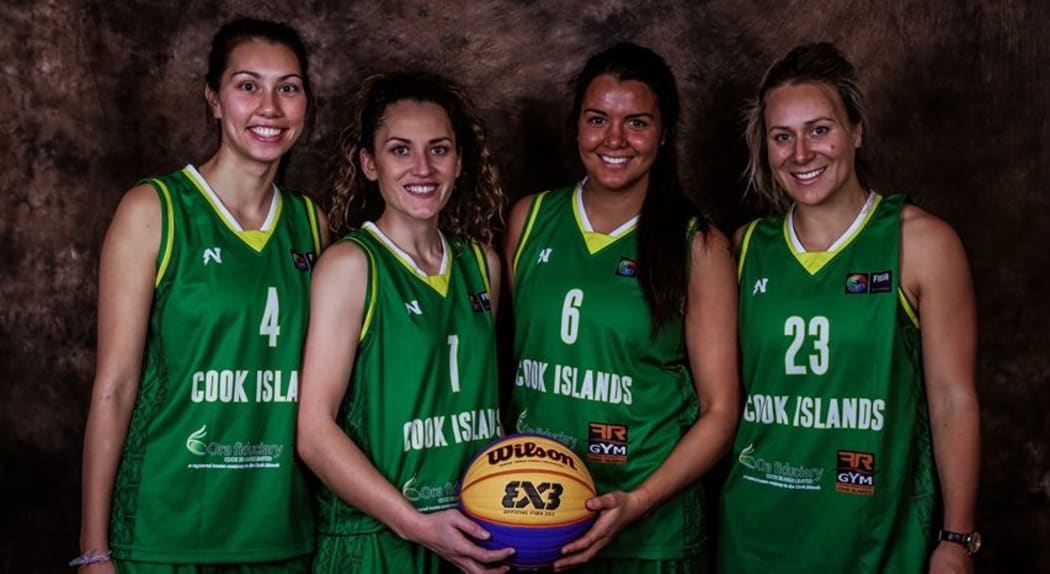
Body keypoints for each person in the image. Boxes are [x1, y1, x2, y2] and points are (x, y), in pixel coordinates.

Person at [75, 17, 328, 574]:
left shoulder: (312, 225)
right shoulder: (154, 209)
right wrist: (93, 549)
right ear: (213, 99)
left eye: (288, 87)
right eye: (247, 86)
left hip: (278, 536)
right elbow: (115, 387)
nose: (270, 106)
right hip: (165, 534)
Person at [717, 43, 981, 574]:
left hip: (876, 536)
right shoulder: (744, 247)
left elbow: (953, 399)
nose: (801, 153)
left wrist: (957, 535)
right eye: (781, 136)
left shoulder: (922, 243)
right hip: (756, 533)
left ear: (856, 131)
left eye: (819, 129)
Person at [504, 42, 740, 572]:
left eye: (636, 122)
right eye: (597, 120)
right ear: (577, 126)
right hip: (537, 515)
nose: (614, 139)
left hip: (650, 529)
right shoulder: (529, 219)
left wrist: (640, 501)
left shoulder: (699, 246)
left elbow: (720, 412)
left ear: (664, 131)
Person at [296, 72, 514, 574]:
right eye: (400, 150)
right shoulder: (351, 266)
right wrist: (417, 525)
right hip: (377, 541)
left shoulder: (484, 265)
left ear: (460, 162)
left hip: (474, 537)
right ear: (369, 165)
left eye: (439, 150)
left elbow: (479, 406)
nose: (423, 168)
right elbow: (313, 431)